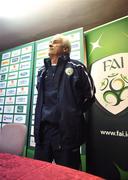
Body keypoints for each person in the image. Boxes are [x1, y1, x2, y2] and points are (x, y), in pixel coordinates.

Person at [34, 34, 95, 170]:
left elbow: (90, 95)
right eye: (50, 42)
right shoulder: (42, 71)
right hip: (43, 133)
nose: (50, 44)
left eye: (55, 42)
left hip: (67, 133)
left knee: (68, 173)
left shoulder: (77, 67)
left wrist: (73, 113)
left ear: (66, 49)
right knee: (38, 172)